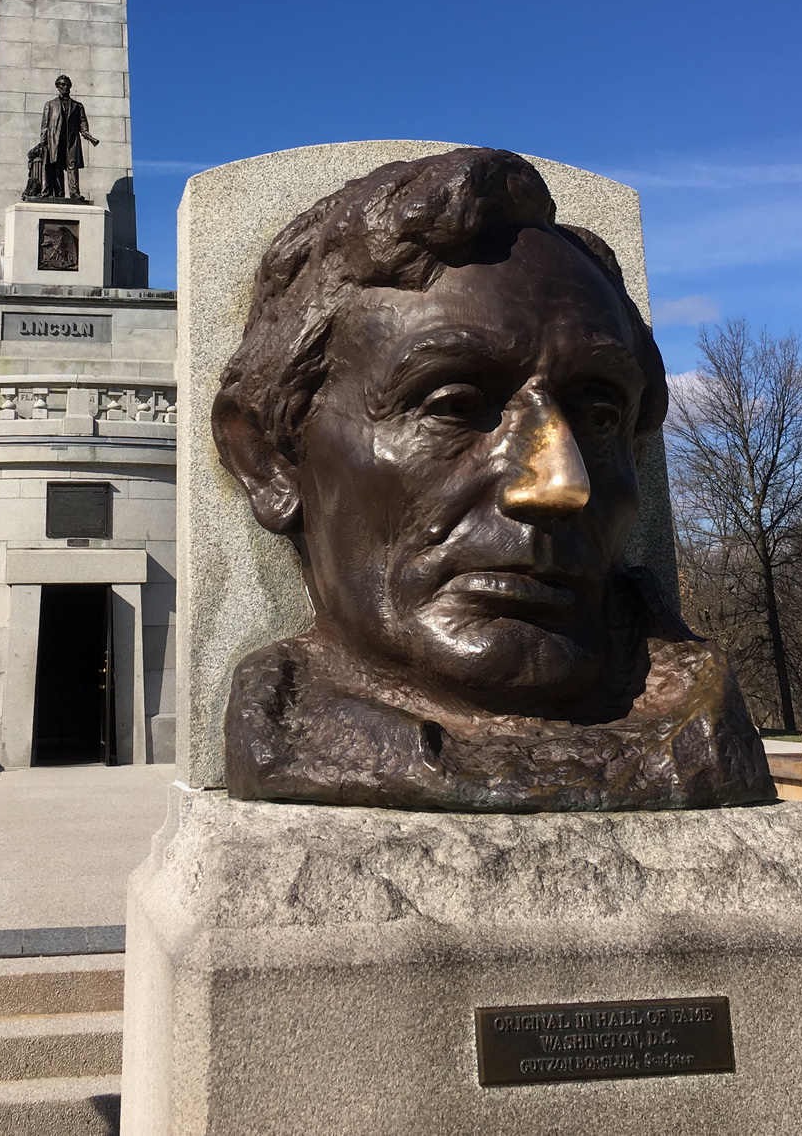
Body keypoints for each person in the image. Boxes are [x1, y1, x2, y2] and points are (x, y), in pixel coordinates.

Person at [211, 147, 773, 813]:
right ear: (268, 462)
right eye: (451, 404)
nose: (555, 483)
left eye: (598, 415)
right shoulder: (282, 727)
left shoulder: (702, 737)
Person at [35, 74, 99, 201]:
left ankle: (75, 193)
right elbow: (45, 125)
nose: (66, 87)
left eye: (67, 84)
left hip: (72, 140)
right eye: (63, 85)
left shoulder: (77, 105)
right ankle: (59, 193)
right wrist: (43, 143)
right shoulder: (50, 105)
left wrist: (86, 132)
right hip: (55, 140)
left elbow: (82, 121)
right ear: (58, 87)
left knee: (72, 166)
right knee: (57, 166)